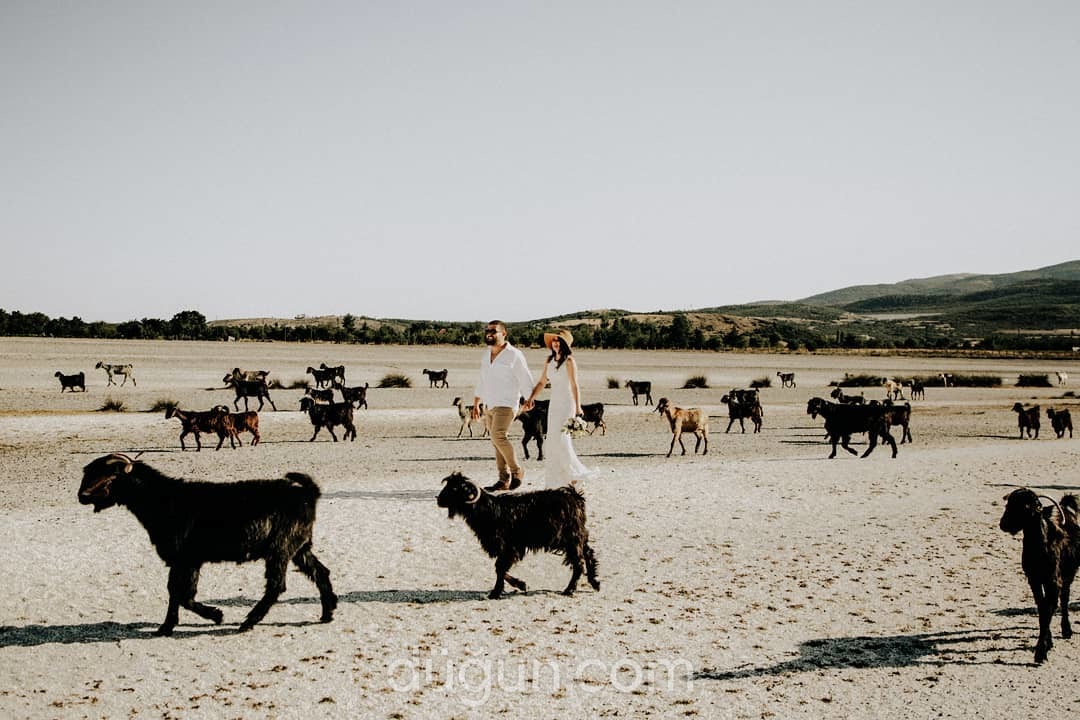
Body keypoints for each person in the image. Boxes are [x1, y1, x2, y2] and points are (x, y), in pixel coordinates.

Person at [523, 329, 594, 489]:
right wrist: (531, 398)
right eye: (553, 340)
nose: (555, 343)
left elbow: (575, 385)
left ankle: (573, 474)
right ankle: (560, 478)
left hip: (567, 403)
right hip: (554, 403)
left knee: (562, 439)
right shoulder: (549, 361)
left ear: (564, 344)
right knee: (552, 441)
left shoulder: (569, 361)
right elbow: (542, 382)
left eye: (558, 340)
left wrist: (578, 407)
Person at [473, 320, 535, 491]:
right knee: (495, 441)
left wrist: (529, 398)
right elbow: (482, 379)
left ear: (504, 333)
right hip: (489, 403)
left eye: (493, 331)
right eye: (487, 330)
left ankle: (517, 471)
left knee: (498, 435)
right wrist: (476, 402)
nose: (489, 333)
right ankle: (503, 480)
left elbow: (524, 377)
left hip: (507, 403)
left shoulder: (514, 354)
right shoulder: (486, 354)